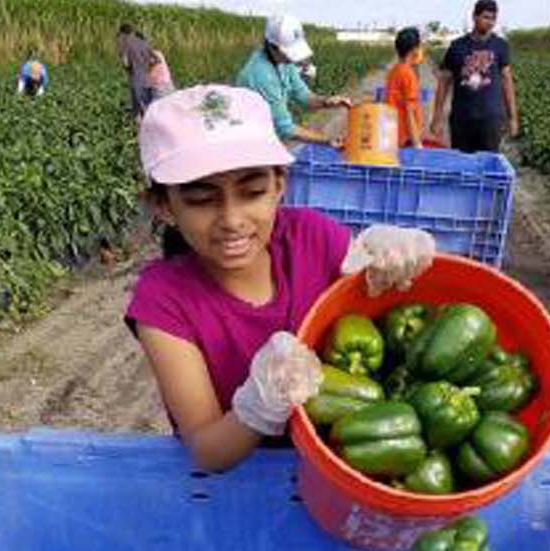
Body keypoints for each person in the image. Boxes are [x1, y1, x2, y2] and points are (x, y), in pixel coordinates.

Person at [126, 84, 436, 473]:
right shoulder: (164, 300)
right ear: (163, 206)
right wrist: (257, 407)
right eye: (201, 200)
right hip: (241, 483)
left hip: (341, 468)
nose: (232, 220)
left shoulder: (312, 237)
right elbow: (206, 450)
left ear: (279, 185)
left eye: (252, 191)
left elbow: (385, 293)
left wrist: (384, 253)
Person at [237, 15, 353, 148]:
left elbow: (303, 96)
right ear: (272, 46)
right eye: (288, 52)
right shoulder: (261, 75)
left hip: (270, 136)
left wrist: (326, 101)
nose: (292, 59)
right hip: (253, 141)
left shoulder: (282, 61)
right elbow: (285, 129)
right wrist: (327, 140)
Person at [431, 1, 518, 154]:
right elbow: (444, 83)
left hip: (491, 119)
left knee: (487, 164)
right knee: (463, 165)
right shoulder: (457, 47)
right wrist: (437, 118)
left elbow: (507, 81)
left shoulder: (500, 46)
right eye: (486, 17)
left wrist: (512, 117)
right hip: (462, 118)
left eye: (493, 18)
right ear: (474, 17)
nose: (490, 22)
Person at [386, 28, 429, 150]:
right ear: (414, 50)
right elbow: (409, 111)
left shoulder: (395, 70)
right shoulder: (408, 74)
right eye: (420, 47)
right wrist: (417, 145)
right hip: (405, 139)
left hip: (394, 134)